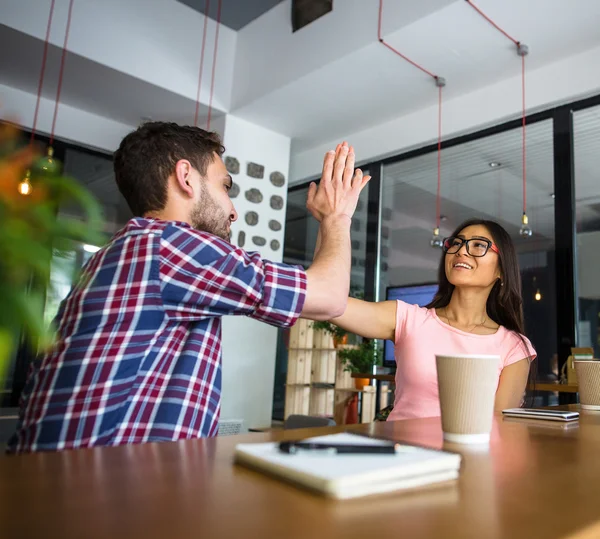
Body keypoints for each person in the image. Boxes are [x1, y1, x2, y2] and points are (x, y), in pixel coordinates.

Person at [8, 122, 369, 453]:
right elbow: (329, 296)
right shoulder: (170, 245)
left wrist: (327, 222)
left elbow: (322, 293)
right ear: (186, 177)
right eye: (225, 186)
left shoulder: (124, 252)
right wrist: (337, 217)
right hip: (97, 499)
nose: (233, 210)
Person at [318, 218, 537, 421]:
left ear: (501, 269)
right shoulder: (408, 319)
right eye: (456, 243)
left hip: (466, 461)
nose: (461, 251)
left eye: (479, 245)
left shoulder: (514, 347)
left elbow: (500, 426)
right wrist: (333, 220)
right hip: (402, 457)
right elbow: (330, 303)